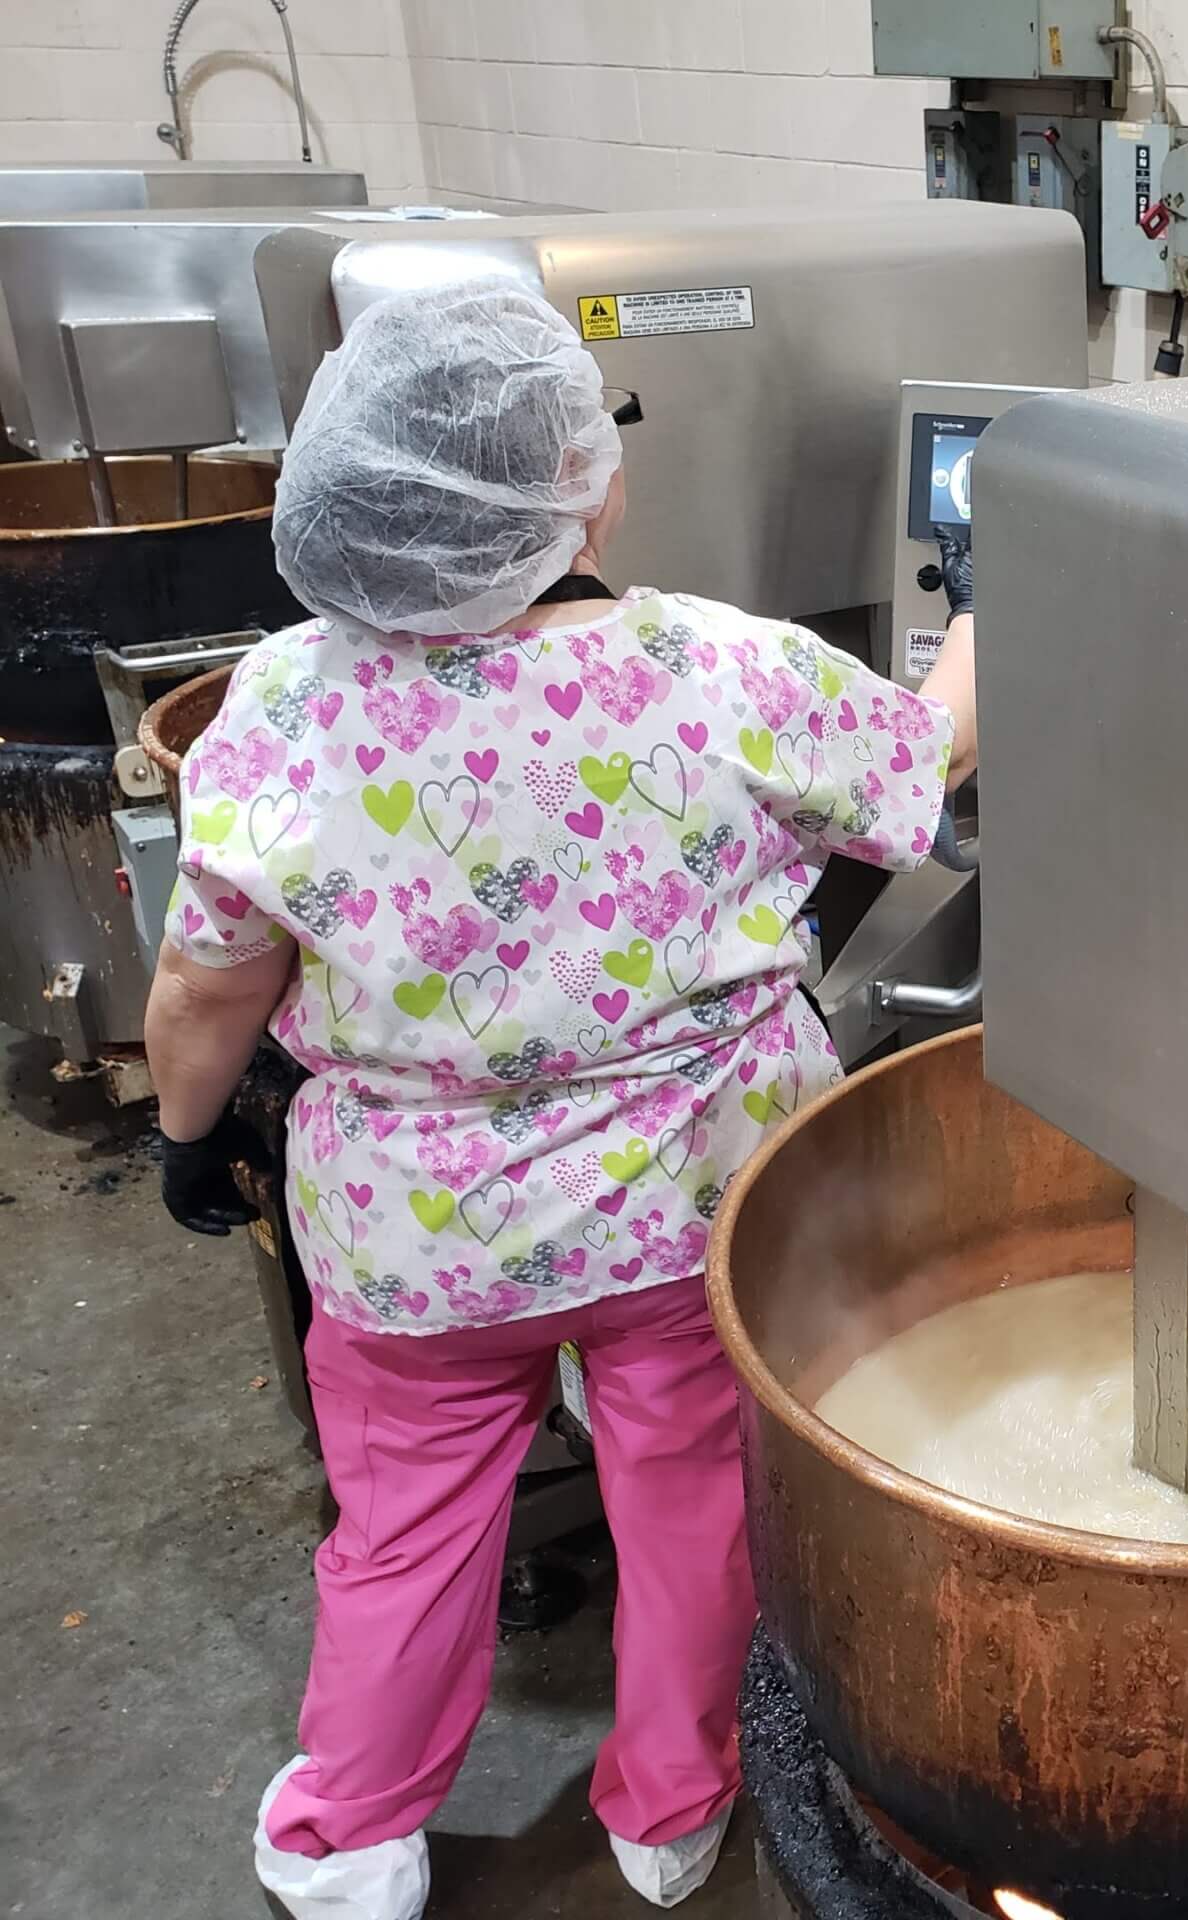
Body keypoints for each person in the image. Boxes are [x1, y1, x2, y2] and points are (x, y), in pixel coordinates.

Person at [144, 277, 978, 1918]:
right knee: (691, 1513)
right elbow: (922, 758)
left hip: (413, 1248)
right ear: (586, 485)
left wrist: (187, 1141)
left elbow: (207, 985)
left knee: (402, 1536)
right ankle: (670, 1815)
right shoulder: (722, 672)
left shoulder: (283, 707)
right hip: (689, 1214)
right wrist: (994, 618)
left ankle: (349, 1843)